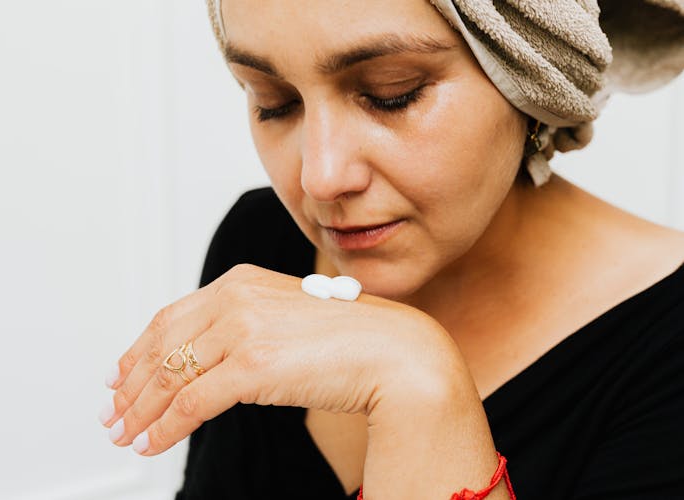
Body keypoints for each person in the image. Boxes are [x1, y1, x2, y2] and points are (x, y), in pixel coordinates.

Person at [99, 1, 684, 498]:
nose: (319, 179)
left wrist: (420, 385)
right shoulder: (260, 240)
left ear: (530, 81)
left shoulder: (666, 350)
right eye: (273, 100)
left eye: (391, 94)